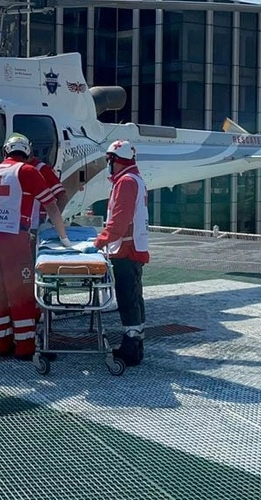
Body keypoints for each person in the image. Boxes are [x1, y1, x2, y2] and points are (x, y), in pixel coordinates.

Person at [0, 133, 72, 360]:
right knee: (20, 292)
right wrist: (63, 236)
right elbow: (51, 206)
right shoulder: (28, 171)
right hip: (14, 236)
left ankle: (1, 343)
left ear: (5, 152)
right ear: (28, 152)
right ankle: (25, 346)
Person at [93, 139, 150, 367]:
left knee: (127, 297)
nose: (109, 165)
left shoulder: (126, 182)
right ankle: (136, 341)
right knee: (135, 296)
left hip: (126, 249)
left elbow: (118, 221)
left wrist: (97, 243)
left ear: (116, 160)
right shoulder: (134, 179)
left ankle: (131, 346)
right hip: (134, 246)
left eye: (110, 160)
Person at [27, 150, 69, 228]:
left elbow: (62, 197)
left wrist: (50, 222)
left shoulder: (42, 169)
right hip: (15, 224)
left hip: (36, 224)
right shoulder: (13, 170)